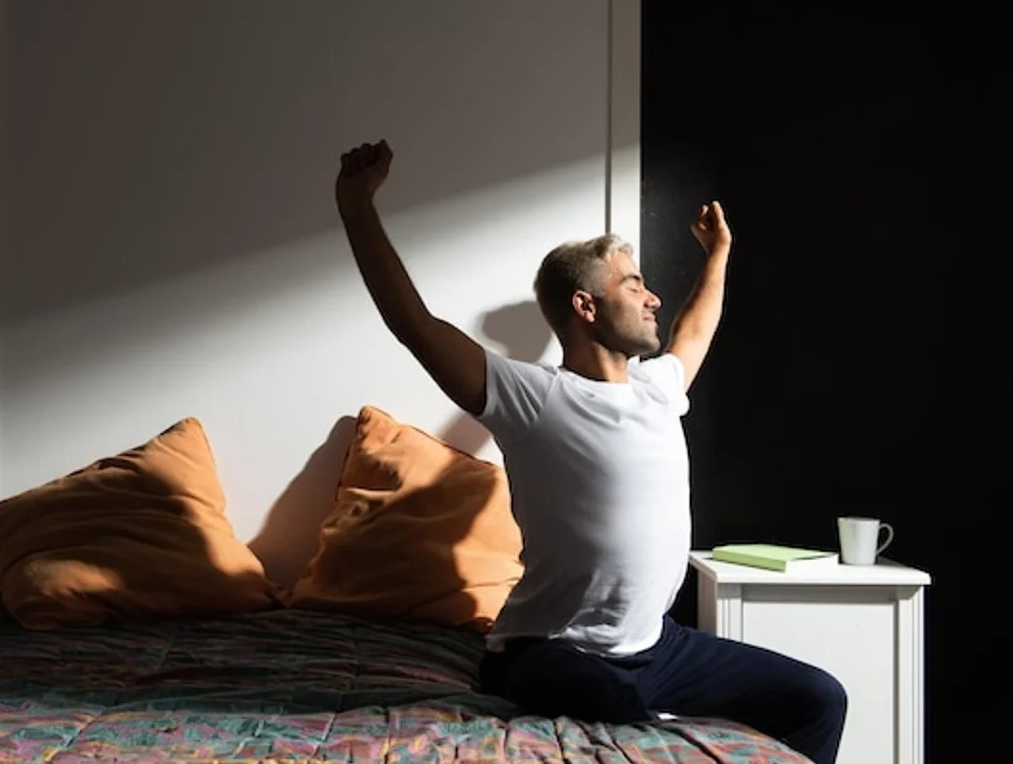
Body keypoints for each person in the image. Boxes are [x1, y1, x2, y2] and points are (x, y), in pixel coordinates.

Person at [334, 139, 847, 764]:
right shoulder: (533, 397)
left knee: (820, 698)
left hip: (660, 649)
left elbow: (695, 326)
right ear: (586, 305)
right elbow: (415, 323)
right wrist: (357, 208)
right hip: (547, 652)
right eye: (634, 284)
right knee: (619, 714)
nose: (653, 297)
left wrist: (720, 254)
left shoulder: (659, 389)